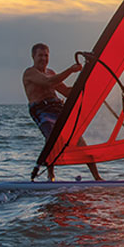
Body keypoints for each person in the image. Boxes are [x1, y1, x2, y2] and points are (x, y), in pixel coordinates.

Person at [22, 43, 98, 181]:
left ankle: (97, 177)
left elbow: (67, 93)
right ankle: (50, 176)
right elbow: (48, 82)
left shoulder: (51, 72)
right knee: (52, 138)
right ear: (33, 56)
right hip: (41, 109)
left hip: (58, 107)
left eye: (46, 55)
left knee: (79, 141)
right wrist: (70, 70)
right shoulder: (30, 73)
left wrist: (86, 76)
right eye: (40, 55)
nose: (43, 58)